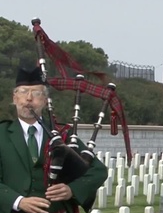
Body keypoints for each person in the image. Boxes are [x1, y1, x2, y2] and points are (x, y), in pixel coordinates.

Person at [0, 67, 108, 213]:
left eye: (36, 93)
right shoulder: (2, 133)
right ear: (15, 98)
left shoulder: (62, 134)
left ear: (45, 100)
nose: (29, 98)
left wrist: (72, 189)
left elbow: (98, 171)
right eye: (23, 92)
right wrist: (18, 201)